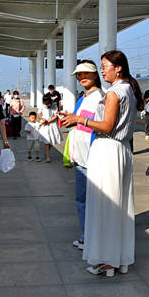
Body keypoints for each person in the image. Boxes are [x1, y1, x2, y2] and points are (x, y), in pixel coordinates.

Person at [66, 50, 140, 276]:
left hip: (107, 149)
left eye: (105, 66)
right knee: (120, 208)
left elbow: (107, 126)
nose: (102, 70)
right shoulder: (129, 90)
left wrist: (80, 119)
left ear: (118, 68)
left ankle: (107, 261)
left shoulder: (113, 93)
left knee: (105, 206)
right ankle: (120, 258)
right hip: (122, 149)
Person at [61, 60, 106, 250]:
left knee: (93, 202)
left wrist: (78, 119)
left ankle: (93, 237)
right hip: (80, 158)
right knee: (82, 200)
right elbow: (80, 123)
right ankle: (87, 235)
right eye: (79, 75)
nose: (82, 77)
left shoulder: (102, 98)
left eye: (86, 73)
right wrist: (69, 120)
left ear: (96, 74)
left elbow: (104, 126)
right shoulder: (83, 98)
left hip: (93, 158)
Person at [36, 93, 63, 163]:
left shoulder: (54, 105)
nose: (46, 104)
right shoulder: (42, 106)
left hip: (52, 124)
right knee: (47, 141)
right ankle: (47, 157)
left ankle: (46, 152)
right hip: (44, 124)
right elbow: (38, 114)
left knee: (52, 140)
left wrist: (48, 121)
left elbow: (56, 115)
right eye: (45, 103)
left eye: (47, 103)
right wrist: (43, 118)